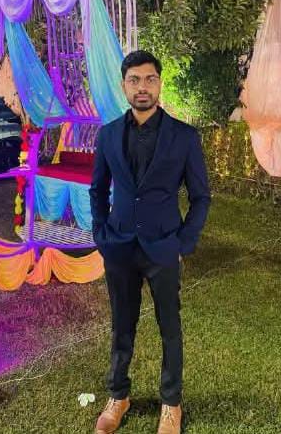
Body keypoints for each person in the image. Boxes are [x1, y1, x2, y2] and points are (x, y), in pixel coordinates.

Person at [89, 50, 211, 434]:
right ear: (124, 86)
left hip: (163, 247)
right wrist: (101, 234)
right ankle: (118, 395)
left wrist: (183, 243)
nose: (142, 87)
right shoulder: (108, 134)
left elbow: (201, 197)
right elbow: (97, 190)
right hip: (119, 247)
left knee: (169, 328)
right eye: (134, 80)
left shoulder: (184, 137)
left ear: (159, 83)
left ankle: (171, 403)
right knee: (121, 326)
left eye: (149, 79)